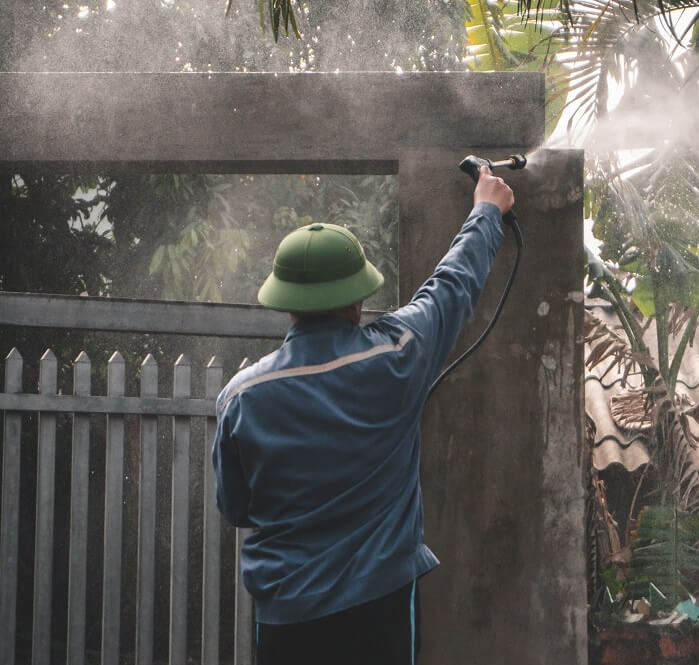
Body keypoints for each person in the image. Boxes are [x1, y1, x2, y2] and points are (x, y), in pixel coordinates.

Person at [212, 166, 514, 665]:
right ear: (357, 299)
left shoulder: (241, 398)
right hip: (381, 611)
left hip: (287, 618)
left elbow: (237, 509)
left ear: (286, 305)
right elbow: (451, 286)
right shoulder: (397, 357)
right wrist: (486, 210)